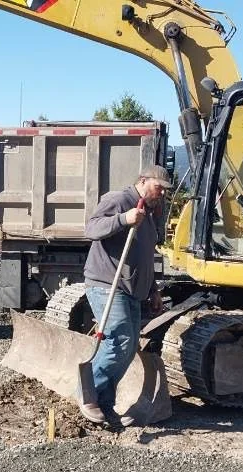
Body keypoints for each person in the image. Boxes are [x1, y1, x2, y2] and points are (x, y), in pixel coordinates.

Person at [80, 164, 172, 425]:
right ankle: (88, 394)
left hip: (133, 289)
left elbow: (144, 256)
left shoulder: (150, 213)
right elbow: (92, 229)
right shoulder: (120, 200)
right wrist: (123, 219)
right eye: (159, 188)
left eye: (165, 190)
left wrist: (153, 290)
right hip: (107, 283)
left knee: (129, 347)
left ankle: (105, 405)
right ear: (143, 180)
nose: (162, 194)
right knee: (119, 342)